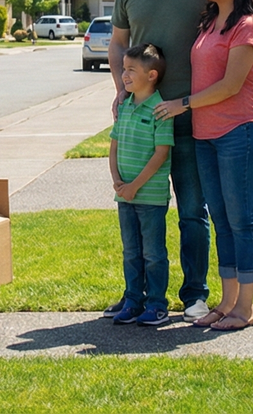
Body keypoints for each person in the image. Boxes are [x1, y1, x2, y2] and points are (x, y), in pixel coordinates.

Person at [105, 0, 253, 321]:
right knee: (141, 210)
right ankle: (141, 295)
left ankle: (195, 294)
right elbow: (118, 43)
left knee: (194, 213)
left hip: (195, 120)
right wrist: (122, 91)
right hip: (144, 120)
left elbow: (243, 15)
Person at [155, 0, 253, 331]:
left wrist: (181, 104)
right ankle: (227, 302)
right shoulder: (209, 23)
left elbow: (230, 86)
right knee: (221, 220)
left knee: (241, 221)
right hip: (205, 136)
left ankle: (245, 309)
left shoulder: (247, 26)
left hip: (240, 132)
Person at [108, 43, 175, 327]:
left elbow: (161, 154)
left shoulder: (161, 110)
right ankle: (133, 299)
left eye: (131, 70)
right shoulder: (124, 106)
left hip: (150, 197)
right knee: (131, 252)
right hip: (125, 196)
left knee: (153, 254)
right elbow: (114, 145)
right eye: (124, 69)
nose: (124, 75)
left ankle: (156, 304)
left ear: (152, 75)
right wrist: (117, 181)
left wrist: (135, 185)